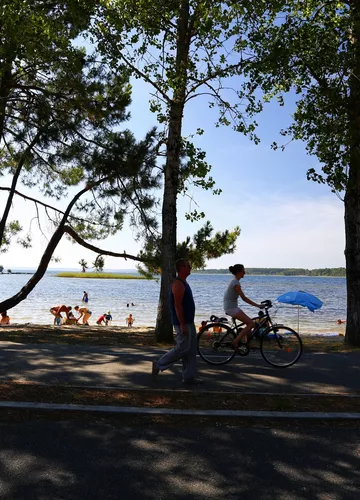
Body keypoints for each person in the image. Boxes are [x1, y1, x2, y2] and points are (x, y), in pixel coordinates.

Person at [152, 258, 203, 385]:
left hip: (188, 322)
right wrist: (182, 325)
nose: (190, 267)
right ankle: (159, 364)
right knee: (182, 349)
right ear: (181, 268)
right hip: (183, 323)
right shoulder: (178, 284)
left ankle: (189, 377)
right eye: (188, 265)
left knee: (190, 350)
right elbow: (177, 306)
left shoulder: (184, 282)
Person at [223, 264, 264, 351]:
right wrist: (257, 305)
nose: (244, 272)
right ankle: (236, 341)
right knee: (251, 324)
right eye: (243, 270)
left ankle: (247, 344)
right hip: (231, 308)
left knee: (249, 323)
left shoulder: (235, 281)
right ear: (239, 272)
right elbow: (244, 298)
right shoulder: (236, 283)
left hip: (232, 307)